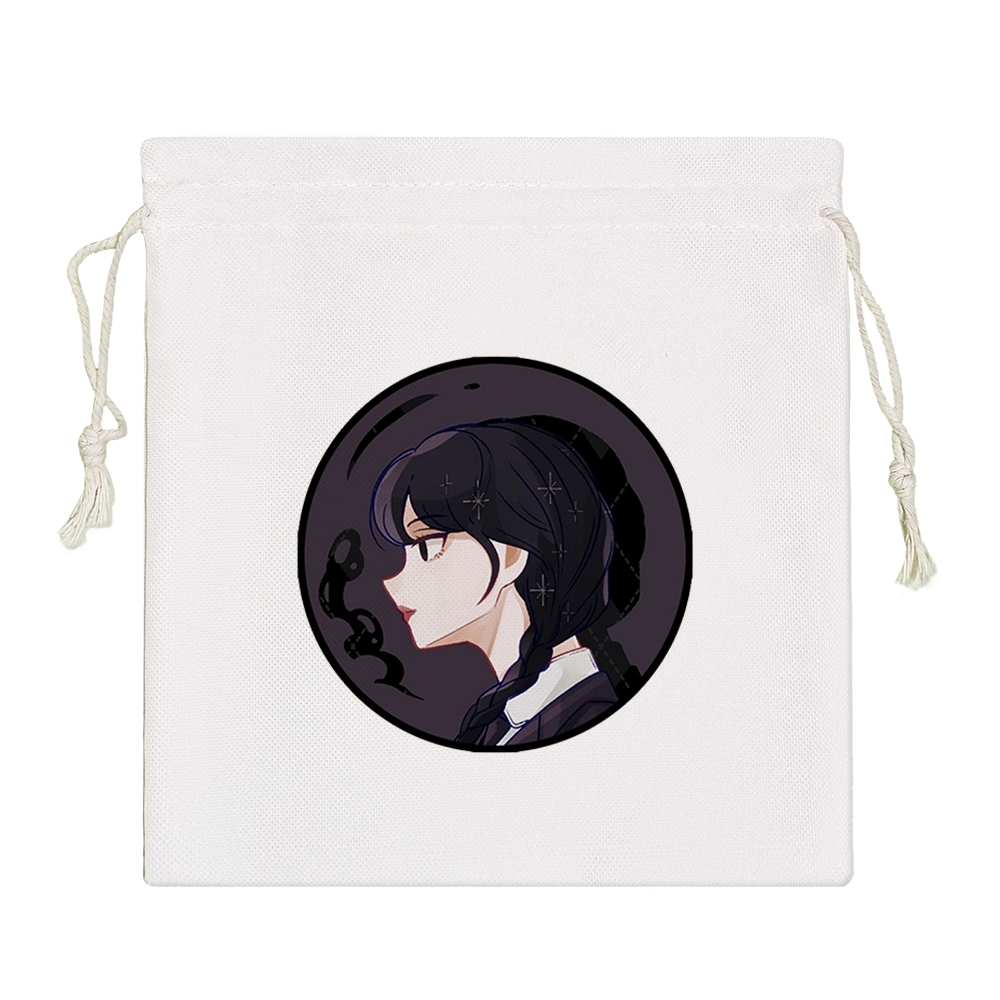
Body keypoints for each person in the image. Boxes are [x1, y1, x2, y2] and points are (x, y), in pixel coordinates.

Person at [370, 419, 622, 747]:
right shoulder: (503, 724)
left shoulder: (587, 723)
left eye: (427, 547)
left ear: (511, 555)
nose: (393, 583)